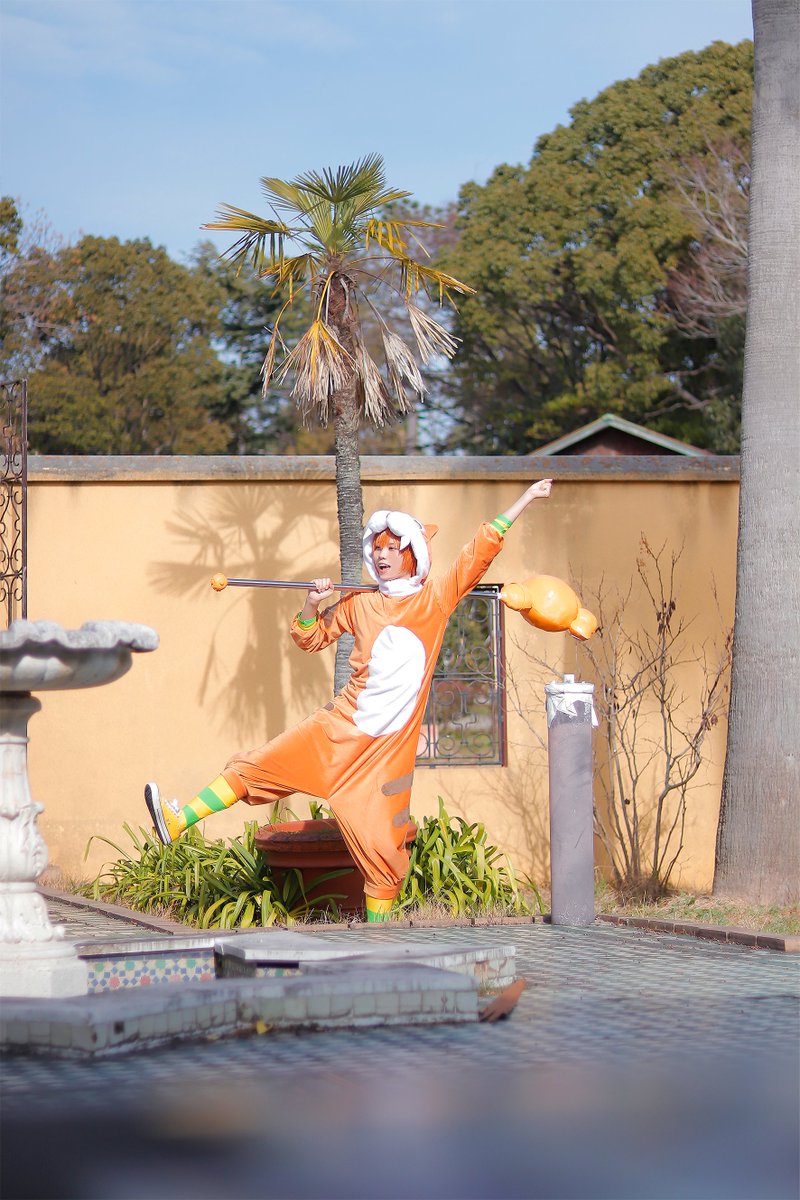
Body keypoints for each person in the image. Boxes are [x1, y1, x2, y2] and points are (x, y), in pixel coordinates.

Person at [145, 478, 553, 921]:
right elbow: (310, 638)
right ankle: (179, 820)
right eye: (377, 548)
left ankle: (379, 939)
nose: (382, 555)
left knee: (383, 855)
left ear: (413, 554)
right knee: (258, 766)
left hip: (384, 755)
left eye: (392, 547)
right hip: (337, 730)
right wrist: (311, 604)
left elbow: (478, 553)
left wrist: (526, 499)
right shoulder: (359, 603)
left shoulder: (435, 600)